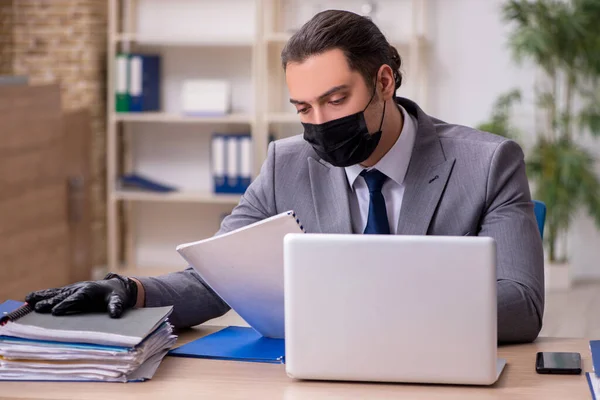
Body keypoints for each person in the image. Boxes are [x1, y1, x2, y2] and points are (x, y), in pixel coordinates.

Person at [25, 10, 544, 344]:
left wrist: (369, 300)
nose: (319, 123)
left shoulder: (488, 162)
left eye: (336, 100)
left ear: (384, 81)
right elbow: (219, 277)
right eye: (303, 107)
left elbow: (520, 304)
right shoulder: (287, 162)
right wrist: (130, 289)